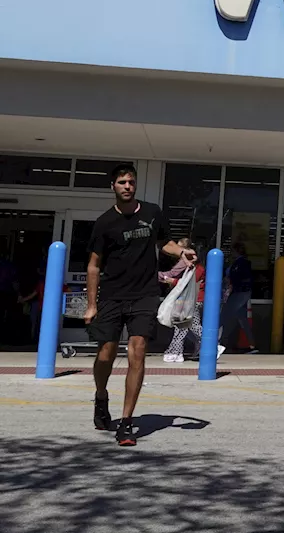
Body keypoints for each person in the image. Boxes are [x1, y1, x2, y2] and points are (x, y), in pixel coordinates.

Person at [85, 164, 194, 446]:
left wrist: (182, 251)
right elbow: (94, 266)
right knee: (106, 354)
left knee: (138, 351)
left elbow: (165, 243)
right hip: (112, 295)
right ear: (113, 186)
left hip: (144, 294)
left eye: (131, 182)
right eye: (122, 182)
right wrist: (91, 305)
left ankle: (126, 423)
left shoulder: (152, 213)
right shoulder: (104, 223)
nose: (127, 186)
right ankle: (101, 396)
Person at [162, 239, 224, 363]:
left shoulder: (196, 268)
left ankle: (213, 344)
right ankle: (175, 352)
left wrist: (171, 281)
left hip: (192, 299)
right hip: (188, 299)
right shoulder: (193, 267)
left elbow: (189, 284)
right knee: (181, 325)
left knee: (191, 325)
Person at [220, 243, 257, 354]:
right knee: (242, 319)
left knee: (224, 315)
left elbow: (239, 277)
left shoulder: (242, 263)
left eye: (232, 251)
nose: (231, 253)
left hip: (240, 292)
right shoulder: (236, 263)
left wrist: (231, 283)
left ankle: (217, 342)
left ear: (237, 251)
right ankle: (252, 345)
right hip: (240, 292)